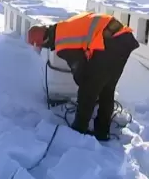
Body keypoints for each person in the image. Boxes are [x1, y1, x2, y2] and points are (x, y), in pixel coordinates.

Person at [27, 12, 139, 141]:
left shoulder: (62, 42)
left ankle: (78, 131)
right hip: (121, 38)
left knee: (89, 89)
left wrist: (88, 90)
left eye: (38, 45)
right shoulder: (62, 28)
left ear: (40, 42)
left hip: (111, 43)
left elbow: (81, 70)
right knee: (107, 89)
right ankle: (102, 132)